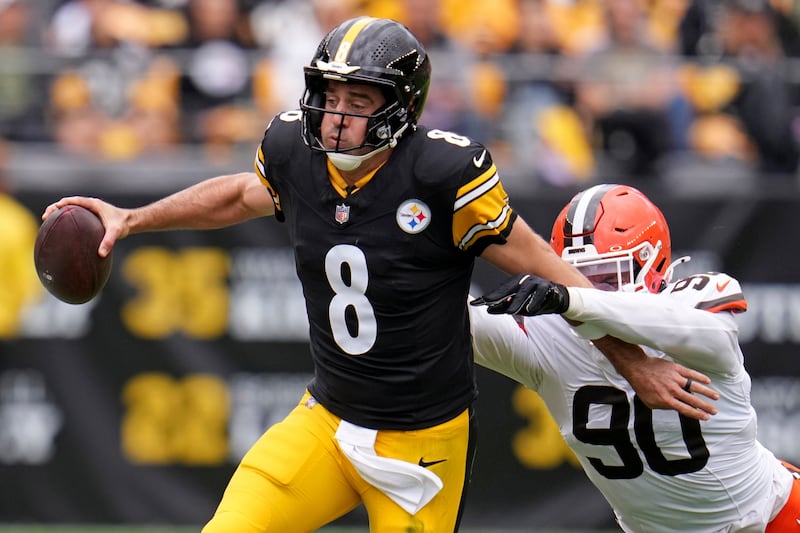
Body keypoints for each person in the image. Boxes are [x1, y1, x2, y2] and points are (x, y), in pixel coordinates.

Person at [44, 18, 716, 532]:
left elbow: (552, 271)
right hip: (327, 420)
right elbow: (240, 194)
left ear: (399, 107)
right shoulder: (292, 151)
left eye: (358, 98)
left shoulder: (444, 176)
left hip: (421, 445)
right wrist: (132, 219)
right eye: (329, 94)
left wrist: (632, 362)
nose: (336, 115)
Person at [470, 183, 800, 532]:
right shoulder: (547, 339)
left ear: (654, 264)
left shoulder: (691, 307)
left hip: (769, 519)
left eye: (607, 277)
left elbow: (702, 331)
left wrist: (571, 298)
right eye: (574, 276)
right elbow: (441, 319)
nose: (592, 289)